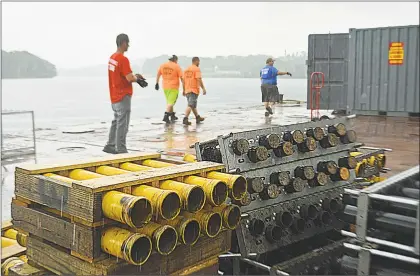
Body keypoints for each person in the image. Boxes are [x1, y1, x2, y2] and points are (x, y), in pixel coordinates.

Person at [103, 33, 143, 154]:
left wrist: (135, 77)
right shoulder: (122, 59)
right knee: (122, 123)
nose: (129, 45)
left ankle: (110, 145)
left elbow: (119, 75)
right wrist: (138, 79)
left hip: (114, 95)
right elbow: (129, 78)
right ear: (124, 43)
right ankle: (121, 148)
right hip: (122, 95)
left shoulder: (112, 58)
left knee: (116, 120)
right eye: (128, 43)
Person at [155, 55, 184, 123]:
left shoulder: (162, 65)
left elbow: (158, 74)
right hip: (173, 87)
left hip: (165, 87)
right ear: (175, 60)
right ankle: (166, 115)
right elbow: (182, 77)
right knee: (171, 102)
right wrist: (184, 87)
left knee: (169, 101)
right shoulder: (177, 66)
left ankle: (172, 115)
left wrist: (157, 83)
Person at [183, 57, 206, 126]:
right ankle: (185, 118)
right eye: (199, 62)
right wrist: (203, 88)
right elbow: (199, 79)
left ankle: (197, 117)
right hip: (193, 90)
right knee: (190, 105)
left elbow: (183, 81)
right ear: (196, 61)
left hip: (187, 89)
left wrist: (184, 90)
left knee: (193, 105)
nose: (199, 63)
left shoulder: (186, 69)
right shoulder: (196, 69)